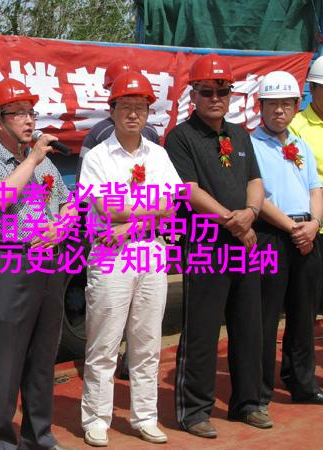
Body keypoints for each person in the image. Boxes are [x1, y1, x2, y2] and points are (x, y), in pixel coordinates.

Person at [0, 78, 77, 450]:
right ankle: (0, 442)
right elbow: (0, 198)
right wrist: (32, 159)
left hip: (50, 262)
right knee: (4, 360)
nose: (29, 120)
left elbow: (68, 202)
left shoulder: (44, 162)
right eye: (18, 113)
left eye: (31, 112)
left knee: (43, 357)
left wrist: (61, 227)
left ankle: (38, 436)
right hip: (9, 263)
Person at [165, 53, 271, 438]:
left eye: (222, 91)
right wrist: (232, 220)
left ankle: (248, 404)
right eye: (207, 91)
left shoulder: (239, 135)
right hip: (206, 245)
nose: (215, 98)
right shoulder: (181, 137)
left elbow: (255, 181)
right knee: (202, 331)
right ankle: (194, 411)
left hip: (245, 244)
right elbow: (188, 190)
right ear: (193, 94)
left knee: (249, 327)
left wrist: (251, 212)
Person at [79, 71, 181, 446]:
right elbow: (107, 207)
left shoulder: (159, 154)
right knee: (104, 342)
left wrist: (132, 223)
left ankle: (145, 416)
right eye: (126, 106)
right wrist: (144, 212)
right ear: (112, 110)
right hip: (111, 256)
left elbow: (171, 207)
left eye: (141, 107)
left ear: (149, 112)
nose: (134, 114)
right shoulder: (98, 157)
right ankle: (96, 418)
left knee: (147, 341)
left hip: (151, 251)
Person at [251, 71, 323, 408]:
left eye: (286, 104)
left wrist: (314, 223)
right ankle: (260, 391)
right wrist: (294, 228)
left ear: (296, 105)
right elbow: (257, 198)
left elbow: (315, 189)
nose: (279, 110)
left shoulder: (300, 145)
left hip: (308, 233)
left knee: (304, 315)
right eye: (272, 104)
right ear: (260, 107)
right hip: (271, 235)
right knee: (266, 316)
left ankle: (303, 384)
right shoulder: (250, 146)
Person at [75, 60, 159, 184]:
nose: (133, 114)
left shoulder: (151, 132)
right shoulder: (99, 133)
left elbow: (162, 179)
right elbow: (82, 180)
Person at [289, 55, 323, 313]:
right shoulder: (296, 127)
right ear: (312, 88)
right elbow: (297, 178)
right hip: (314, 228)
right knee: (309, 304)